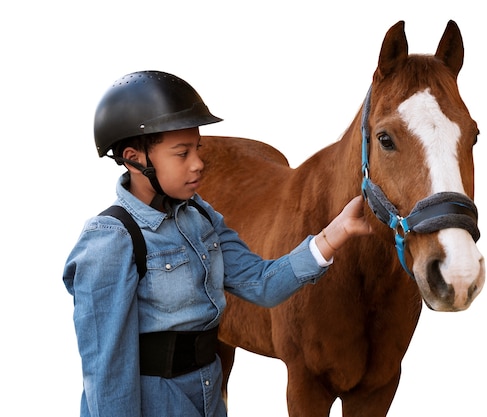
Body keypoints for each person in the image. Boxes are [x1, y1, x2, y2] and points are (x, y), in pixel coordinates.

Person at [62, 70, 372, 417]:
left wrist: (334, 234)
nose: (198, 164)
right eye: (182, 154)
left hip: (207, 398)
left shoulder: (200, 217)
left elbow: (261, 284)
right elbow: (107, 371)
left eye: (198, 149)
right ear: (135, 158)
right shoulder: (110, 240)